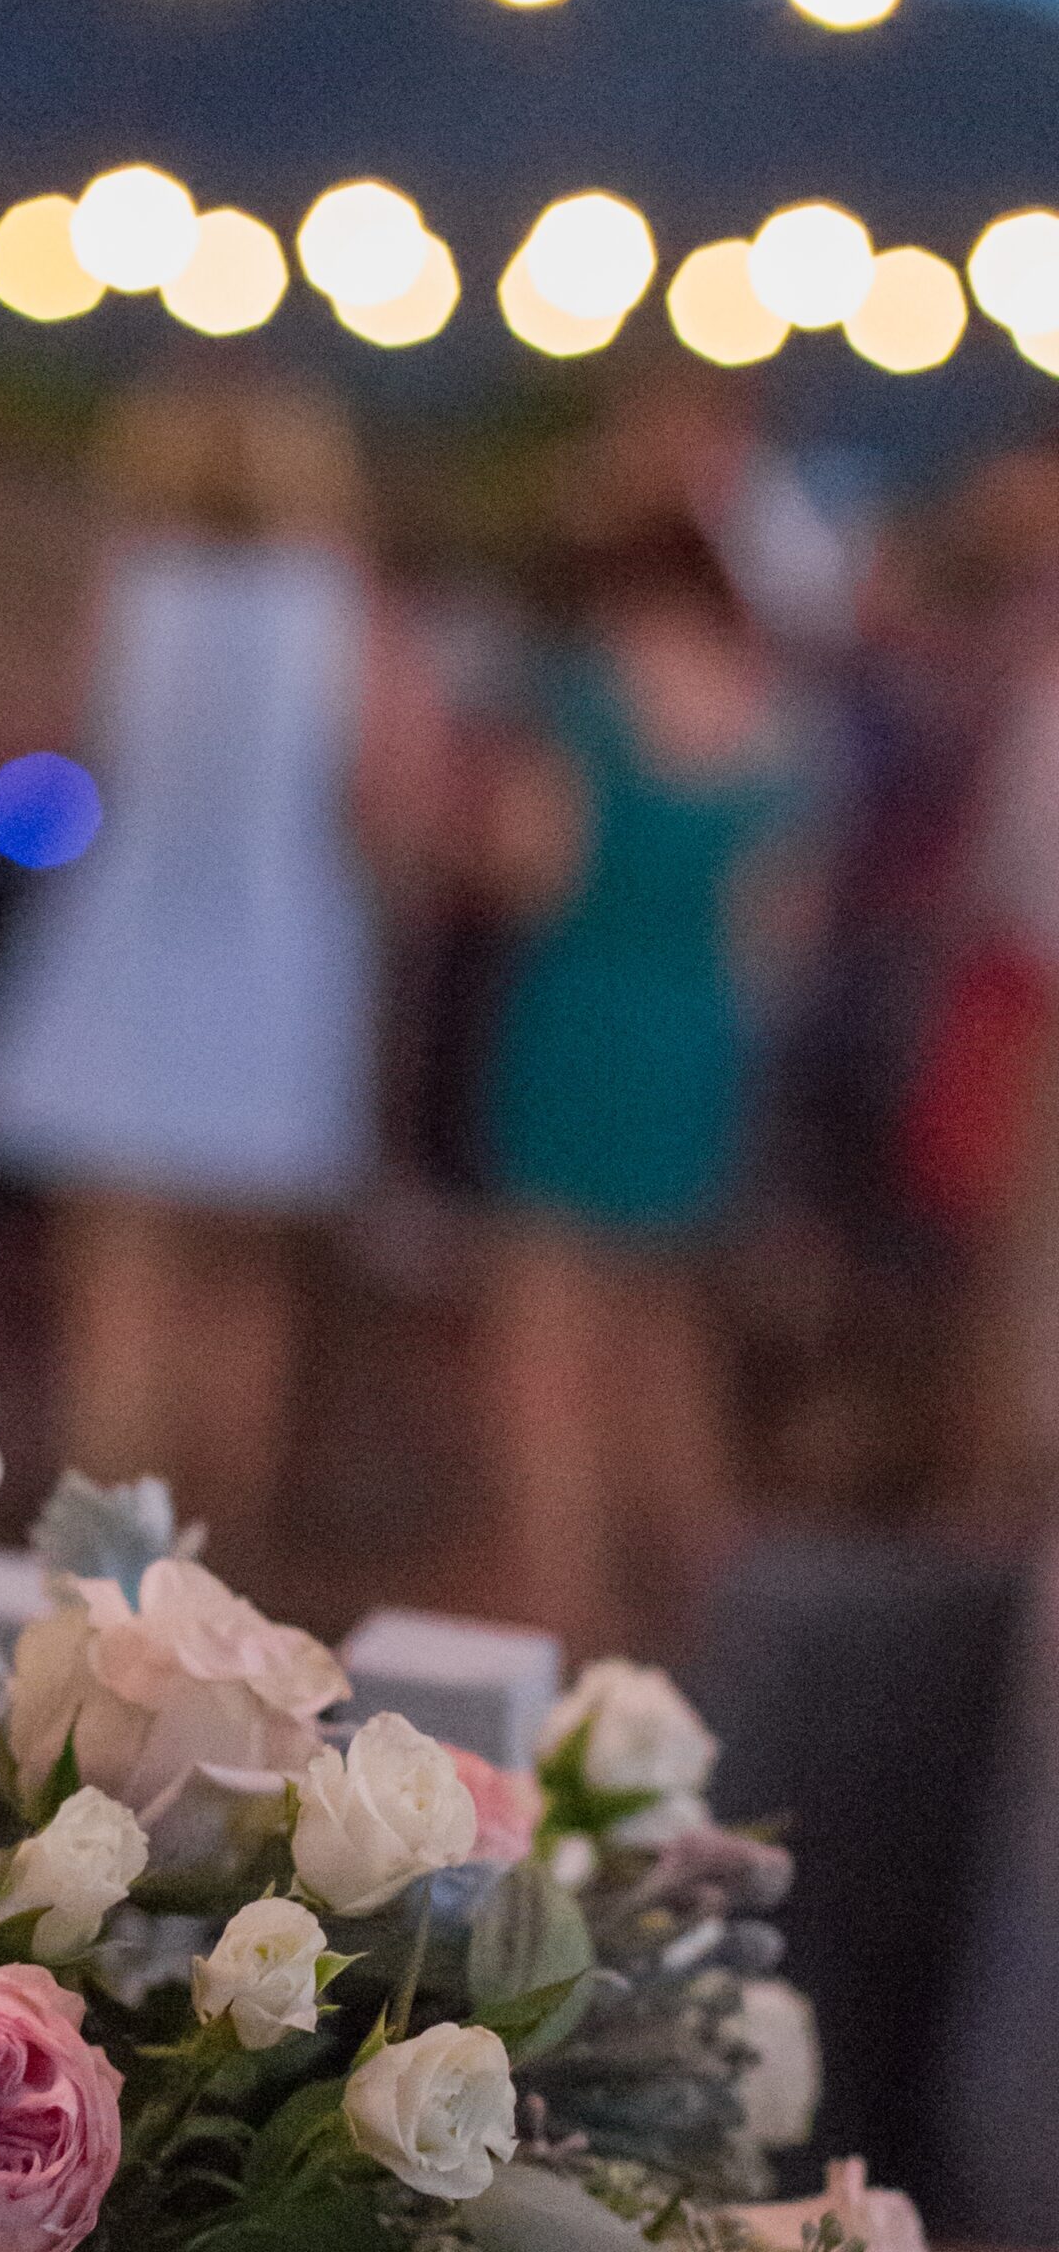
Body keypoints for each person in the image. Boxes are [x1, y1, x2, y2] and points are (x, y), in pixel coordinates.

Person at [0, 367, 445, 1567]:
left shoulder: (128, 586)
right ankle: (214, 1568)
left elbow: (48, 763)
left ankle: (102, 1574)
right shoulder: (340, 602)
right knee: (243, 1292)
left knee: (120, 1292)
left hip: (122, 947)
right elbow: (397, 794)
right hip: (278, 965)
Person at [475, 506, 813, 1650]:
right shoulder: (767, 719)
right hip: (695, 1029)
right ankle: (711, 1609)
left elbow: (537, 866)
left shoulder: (586, 697)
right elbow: (775, 928)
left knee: (546, 1335)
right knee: (666, 1333)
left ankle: (564, 1606)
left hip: (582, 1010)